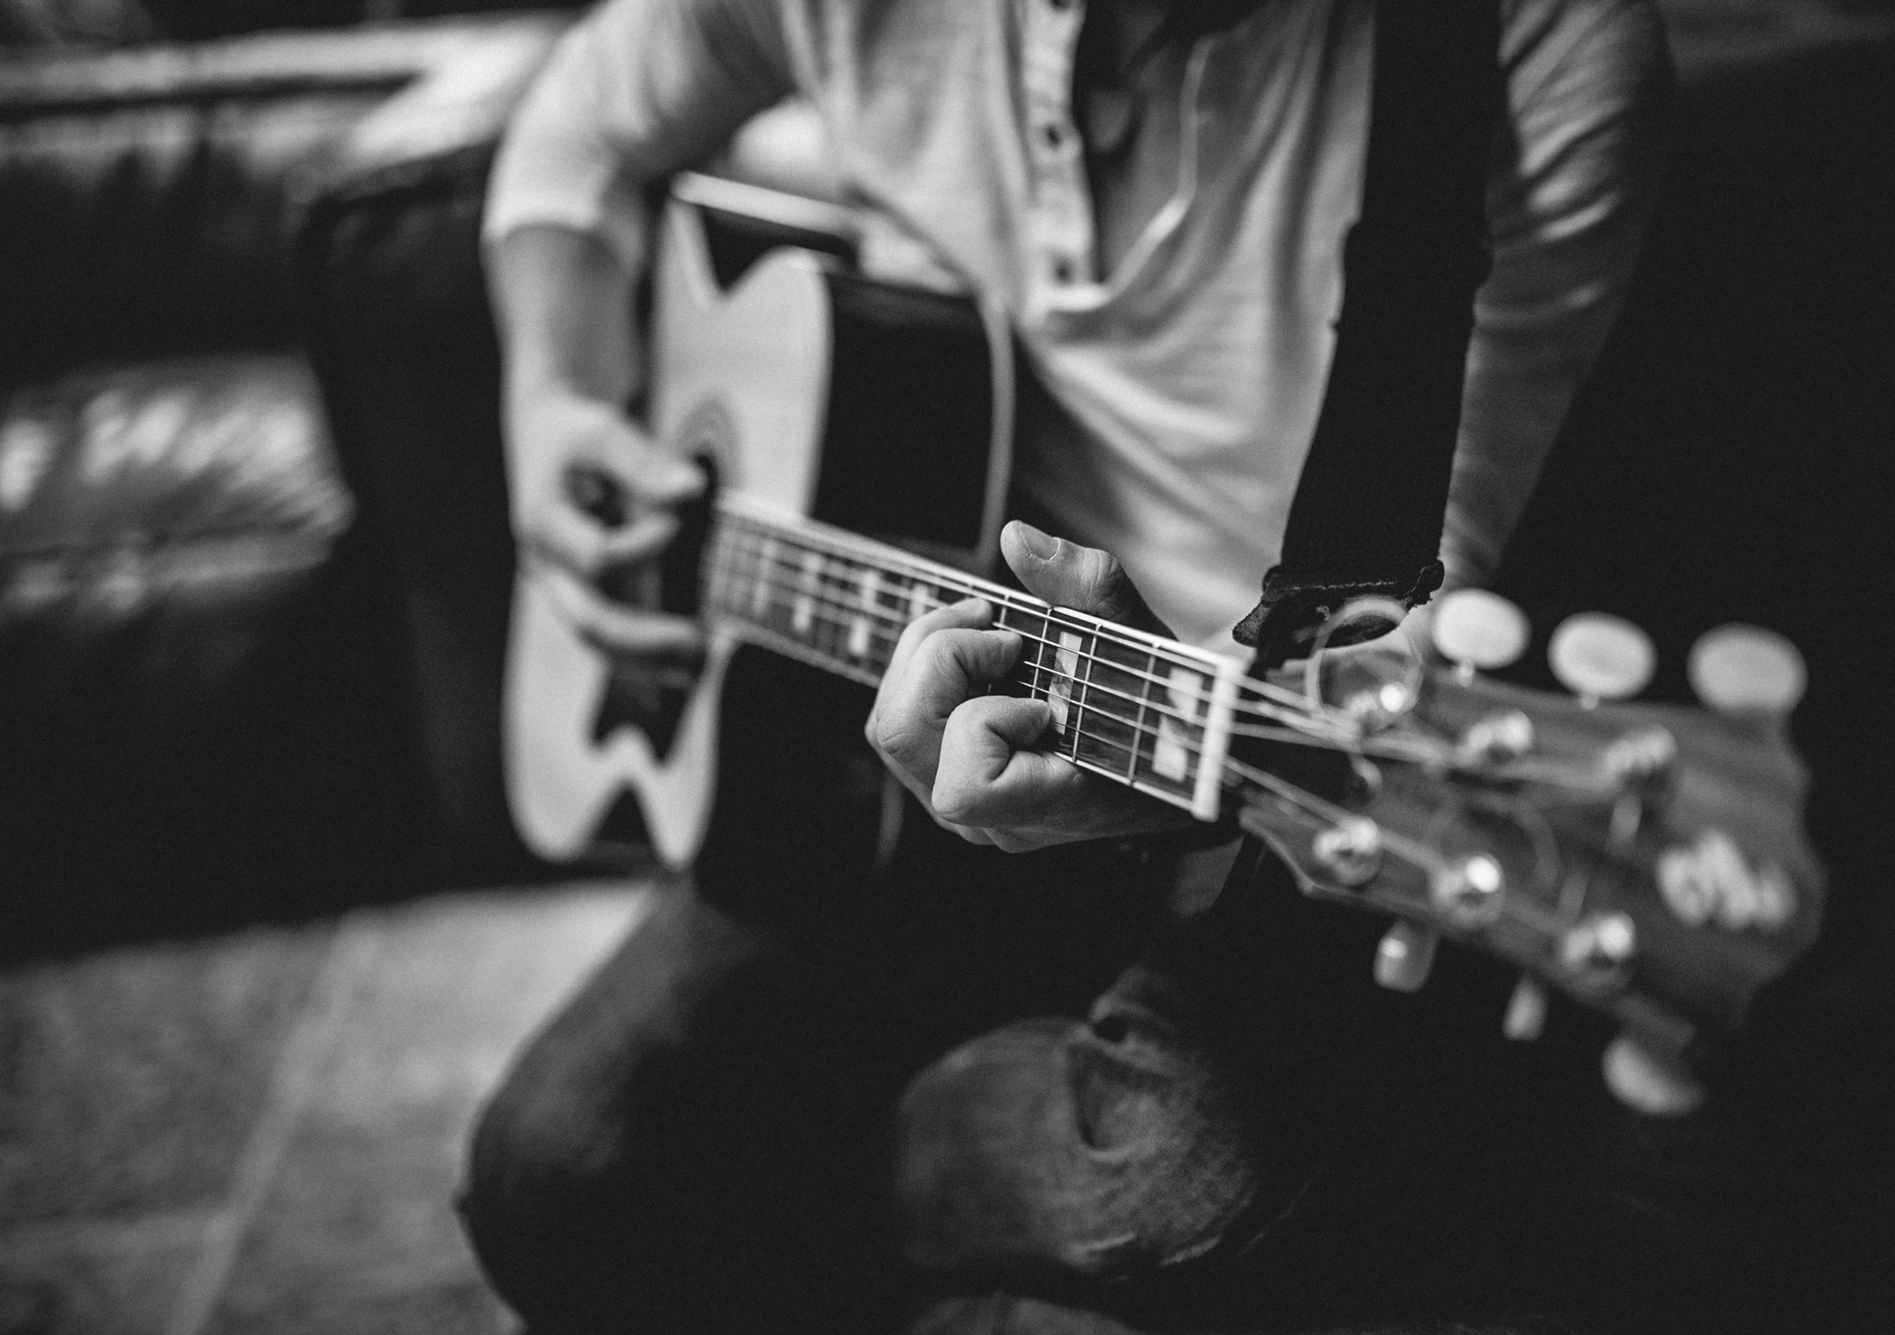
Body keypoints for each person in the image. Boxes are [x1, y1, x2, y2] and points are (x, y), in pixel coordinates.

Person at [463, 1, 1679, 1331]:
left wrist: (1176, 748)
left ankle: (862, 1172)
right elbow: (578, 131)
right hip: (832, 743)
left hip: (1226, 768)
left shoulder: (1526, 38)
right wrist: (553, 401)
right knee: (550, 1176)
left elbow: (1406, 605)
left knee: (1187, 1180)